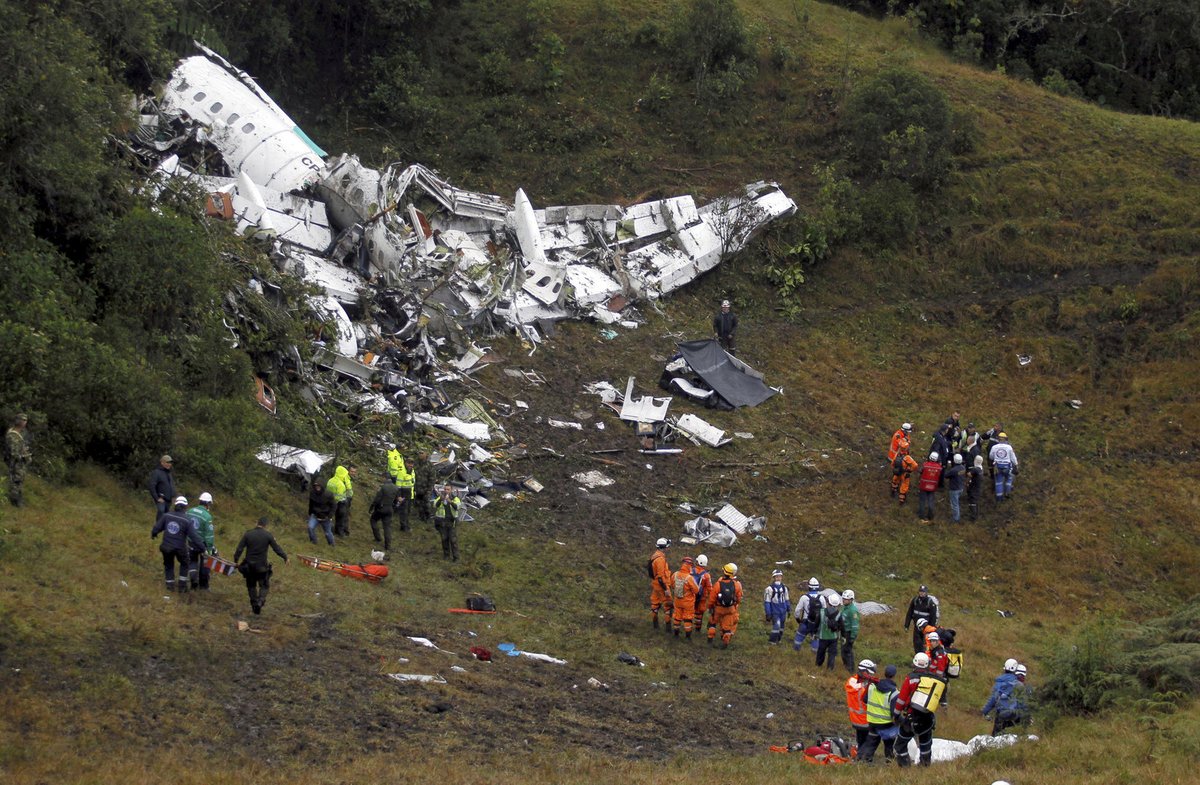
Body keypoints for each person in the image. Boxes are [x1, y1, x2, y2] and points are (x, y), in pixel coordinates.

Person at [894, 652, 945, 767]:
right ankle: (924, 768)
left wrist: (896, 715)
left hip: (911, 718)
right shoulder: (933, 680)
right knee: (925, 745)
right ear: (927, 664)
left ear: (914, 663)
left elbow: (901, 700)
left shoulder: (910, 679)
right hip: (928, 719)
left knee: (900, 745)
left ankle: (905, 768)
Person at [233, 516, 289, 615]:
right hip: (262, 567)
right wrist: (285, 557)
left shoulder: (248, 534)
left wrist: (236, 560)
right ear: (266, 525)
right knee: (264, 586)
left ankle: (254, 604)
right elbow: (277, 548)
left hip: (249, 566)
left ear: (257, 523)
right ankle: (260, 601)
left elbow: (239, 549)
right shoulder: (268, 535)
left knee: (251, 585)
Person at [151, 496, 204, 593]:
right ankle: (182, 586)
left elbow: (157, 528)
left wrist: (154, 534)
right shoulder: (187, 520)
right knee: (185, 563)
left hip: (166, 546)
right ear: (185, 507)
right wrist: (202, 548)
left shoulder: (167, 516)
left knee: (168, 565)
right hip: (180, 548)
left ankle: (169, 586)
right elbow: (194, 537)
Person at [857, 664, 900, 763]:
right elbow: (895, 712)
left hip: (872, 721)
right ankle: (889, 763)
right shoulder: (894, 692)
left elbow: (865, 699)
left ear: (884, 674)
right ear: (894, 676)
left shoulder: (872, 685)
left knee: (871, 742)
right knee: (889, 745)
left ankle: (865, 762)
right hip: (886, 724)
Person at [982, 658, 1023, 735]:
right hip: (1014, 715)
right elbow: (1022, 702)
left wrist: (984, 711)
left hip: (1001, 714)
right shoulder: (1019, 685)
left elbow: (993, 699)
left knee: (995, 736)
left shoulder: (998, 683)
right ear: (1015, 670)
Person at [706, 562, 743, 648]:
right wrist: (734, 605)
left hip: (718, 608)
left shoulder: (718, 584)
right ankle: (725, 643)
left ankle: (710, 640)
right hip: (730, 609)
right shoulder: (736, 585)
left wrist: (710, 607)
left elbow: (712, 598)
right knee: (727, 627)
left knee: (712, 623)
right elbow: (738, 598)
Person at [185, 492, 216, 591]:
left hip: (190, 542)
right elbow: (209, 535)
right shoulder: (207, 517)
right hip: (202, 544)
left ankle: (193, 579)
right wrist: (210, 549)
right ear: (208, 504)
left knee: (193, 560)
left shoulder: (189, 511)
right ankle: (204, 586)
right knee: (206, 564)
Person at [669, 556, 700, 639]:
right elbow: (696, 590)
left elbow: (671, 585)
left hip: (677, 600)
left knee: (677, 617)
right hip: (688, 602)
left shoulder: (675, 574)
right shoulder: (689, 578)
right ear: (689, 565)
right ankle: (688, 637)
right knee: (688, 619)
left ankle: (676, 635)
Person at [5, 413, 32, 506]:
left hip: (19, 462)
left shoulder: (17, 434)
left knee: (19, 480)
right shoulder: (13, 435)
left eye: (25, 420)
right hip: (16, 463)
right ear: (18, 421)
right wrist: (24, 455)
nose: (24, 422)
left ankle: (18, 500)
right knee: (16, 481)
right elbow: (14, 453)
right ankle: (15, 502)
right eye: (23, 420)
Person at [904, 585, 940, 654]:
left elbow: (933, 617)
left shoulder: (930, 603)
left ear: (926, 593)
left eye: (923, 592)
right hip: (917, 626)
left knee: (925, 644)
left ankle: (926, 657)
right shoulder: (915, 600)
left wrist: (931, 629)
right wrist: (906, 625)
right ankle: (917, 656)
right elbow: (910, 613)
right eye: (920, 591)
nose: (921, 593)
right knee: (916, 643)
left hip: (926, 628)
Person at [368, 479, 402, 553]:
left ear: (385, 479)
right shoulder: (396, 488)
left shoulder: (383, 487)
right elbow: (397, 500)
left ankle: (378, 538)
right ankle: (388, 546)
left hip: (381, 508)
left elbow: (377, 499)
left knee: (373, 520)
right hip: (389, 509)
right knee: (387, 527)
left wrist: (371, 508)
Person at [793, 577, 824, 651]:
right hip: (817, 623)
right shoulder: (821, 598)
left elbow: (797, 610)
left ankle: (795, 651)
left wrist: (797, 619)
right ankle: (814, 654)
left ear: (809, 587)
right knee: (815, 638)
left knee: (799, 637)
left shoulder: (804, 597)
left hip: (805, 622)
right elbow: (824, 611)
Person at [432, 484, 462, 561]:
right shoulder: (440, 497)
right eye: (445, 489)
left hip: (452, 522)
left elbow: (458, 507)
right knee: (444, 539)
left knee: (453, 540)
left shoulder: (455, 498)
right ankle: (446, 556)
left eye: (448, 489)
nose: (446, 491)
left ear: (451, 490)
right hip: (442, 522)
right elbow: (435, 505)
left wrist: (450, 502)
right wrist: (440, 500)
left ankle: (456, 557)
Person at [648, 537, 672, 629]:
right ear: (664, 547)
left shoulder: (654, 556)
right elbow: (661, 577)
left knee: (655, 604)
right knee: (668, 606)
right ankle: (668, 628)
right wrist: (665, 589)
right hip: (662, 585)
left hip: (655, 585)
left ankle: (655, 626)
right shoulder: (660, 559)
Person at [815, 593, 843, 670]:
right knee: (832, 654)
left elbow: (816, 623)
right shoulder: (839, 614)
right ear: (837, 605)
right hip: (833, 638)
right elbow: (841, 626)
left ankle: (818, 665)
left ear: (828, 603)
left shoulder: (821, 612)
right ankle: (830, 668)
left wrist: (814, 632)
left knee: (821, 652)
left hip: (822, 637)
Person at [989, 432, 1019, 502]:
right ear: (1005, 439)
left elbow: (991, 456)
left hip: (997, 467)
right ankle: (1007, 492)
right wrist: (1016, 464)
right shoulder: (1009, 447)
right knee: (1009, 478)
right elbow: (1013, 457)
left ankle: (999, 498)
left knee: (999, 482)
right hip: (1007, 466)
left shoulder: (994, 447)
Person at [763, 570, 791, 645]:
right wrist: (768, 613)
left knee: (781, 627)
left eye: (780, 576)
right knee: (777, 626)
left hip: (783, 611)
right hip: (775, 611)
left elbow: (787, 599)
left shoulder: (784, 588)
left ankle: (778, 640)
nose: (778, 578)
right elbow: (767, 602)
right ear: (774, 577)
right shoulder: (769, 589)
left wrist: (789, 609)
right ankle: (772, 641)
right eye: (776, 576)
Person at [307, 477, 336, 546]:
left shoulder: (329, 494)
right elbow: (311, 503)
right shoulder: (312, 493)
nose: (317, 488)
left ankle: (332, 545)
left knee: (328, 533)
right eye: (316, 486)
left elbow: (334, 506)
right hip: (315, 515)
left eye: (319, 486)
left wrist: (330, 515)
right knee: (310, 528)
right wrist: (310, 512)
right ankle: (313, 542)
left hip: (326, 517)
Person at [327, 464, 354, 537]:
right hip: (340, 503)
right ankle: (340, 532)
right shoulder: (341, 484)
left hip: (330, 501)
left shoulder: (330, 480)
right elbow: (342, 496)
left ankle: (330, 530)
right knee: (341, 517)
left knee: (331, 516)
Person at [147, 454, 176, 523]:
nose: (169, 464)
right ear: (162, 462)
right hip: (161, 498)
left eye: (170, 463)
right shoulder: (157, 472)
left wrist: (173, 496)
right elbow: (152, 486)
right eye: (167, 462)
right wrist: (157, 498)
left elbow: (171, 485)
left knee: (167, 514)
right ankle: (157, 527)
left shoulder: (169, 473)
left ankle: (163, 527)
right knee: (161, 511)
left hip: (169, 499)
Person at [916, 452, 943, 523]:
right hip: (933, 486)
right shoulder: (939, 467)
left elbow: (919, 471)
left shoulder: (925, 465)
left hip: (923, 485)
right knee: (931, 501)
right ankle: (930, 515)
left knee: (922, 501)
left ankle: (921, 515)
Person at [890, 439, 919, 504]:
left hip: (897, 472)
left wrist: (894, 469)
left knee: (895, 481)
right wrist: (910, 470)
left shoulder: (897, 454)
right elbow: (915, 465)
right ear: (906, 449)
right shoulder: (907, 457)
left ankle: (893, 492)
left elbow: (892, 463)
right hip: (904, 473)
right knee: (904, 485)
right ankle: (901, 500)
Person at [840, 589, 861, 672]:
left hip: (849, 633)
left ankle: (850, 669)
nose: (843, 600)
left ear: (851, 600)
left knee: (847, 651)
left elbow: (855, 626)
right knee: (843, 650)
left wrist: (852, 637)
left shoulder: (853, 611)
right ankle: (846, 665)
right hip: (843, 632)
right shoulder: (844, 608)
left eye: (845, 599)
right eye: (843, 599)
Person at [691, 554, 713, 634]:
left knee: (689, 612)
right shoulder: (706, 575)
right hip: (701, 597)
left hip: (690, 595)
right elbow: (710, 588)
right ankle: (697, 629)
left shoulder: (691, 571)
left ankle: (688, 628)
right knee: (699, 614)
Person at [413, 450, 436, 521]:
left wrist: (429, 489)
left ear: (426, 454)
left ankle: (428, 516)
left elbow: (432, 479)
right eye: (419, 453)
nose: (420, 454)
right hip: (416, 487)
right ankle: (421, 516)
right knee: (418, 502)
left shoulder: (430, 465)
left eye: (422, 453)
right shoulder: (415, 463)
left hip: (425, 488)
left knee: (426, 503)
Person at [394, 458, 416, 532]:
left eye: (412, 463)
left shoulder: (412, 471)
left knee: (408, 511)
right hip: (403, 494)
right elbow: (398, 486)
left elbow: (412, 483)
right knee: (404, 511)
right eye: (409, 463)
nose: (410, 465)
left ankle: (406, 525)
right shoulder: (401, 472)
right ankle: (404, 527)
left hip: (410, 495)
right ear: (405, 463)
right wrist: (399, 496)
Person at [945, 453, 966, 523]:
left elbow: (946, 475)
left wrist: (948, 467)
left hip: (954, 489)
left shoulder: (954, 470)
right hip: (961, 487)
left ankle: (956, 519)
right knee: (956, 503)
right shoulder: (963, 468)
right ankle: (957, 516)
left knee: (954, 504)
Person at [966, 455, 985, 521]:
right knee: (976, 502)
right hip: (978, 488)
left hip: (973, 488)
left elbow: (969, 474)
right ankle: (976, 515)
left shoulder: (975, 469)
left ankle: (973, 517)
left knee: (972, 502)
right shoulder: (981, 469)